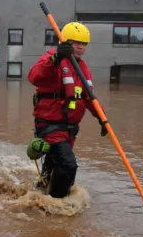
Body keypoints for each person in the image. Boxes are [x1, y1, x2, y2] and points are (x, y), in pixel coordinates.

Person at [27, 22, 108, 198]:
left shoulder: (83, 68)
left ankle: (42, 194)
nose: (80, 47)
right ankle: (57, 203)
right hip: (49, 125)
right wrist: (56, 58)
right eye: (76, 42)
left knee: (54, 166)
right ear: (65, 41)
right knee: (68, 165)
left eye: (84, 43)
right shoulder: (51, 58)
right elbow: (34, 76)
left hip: (69, 128)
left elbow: (89, 97)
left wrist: (102, 118)